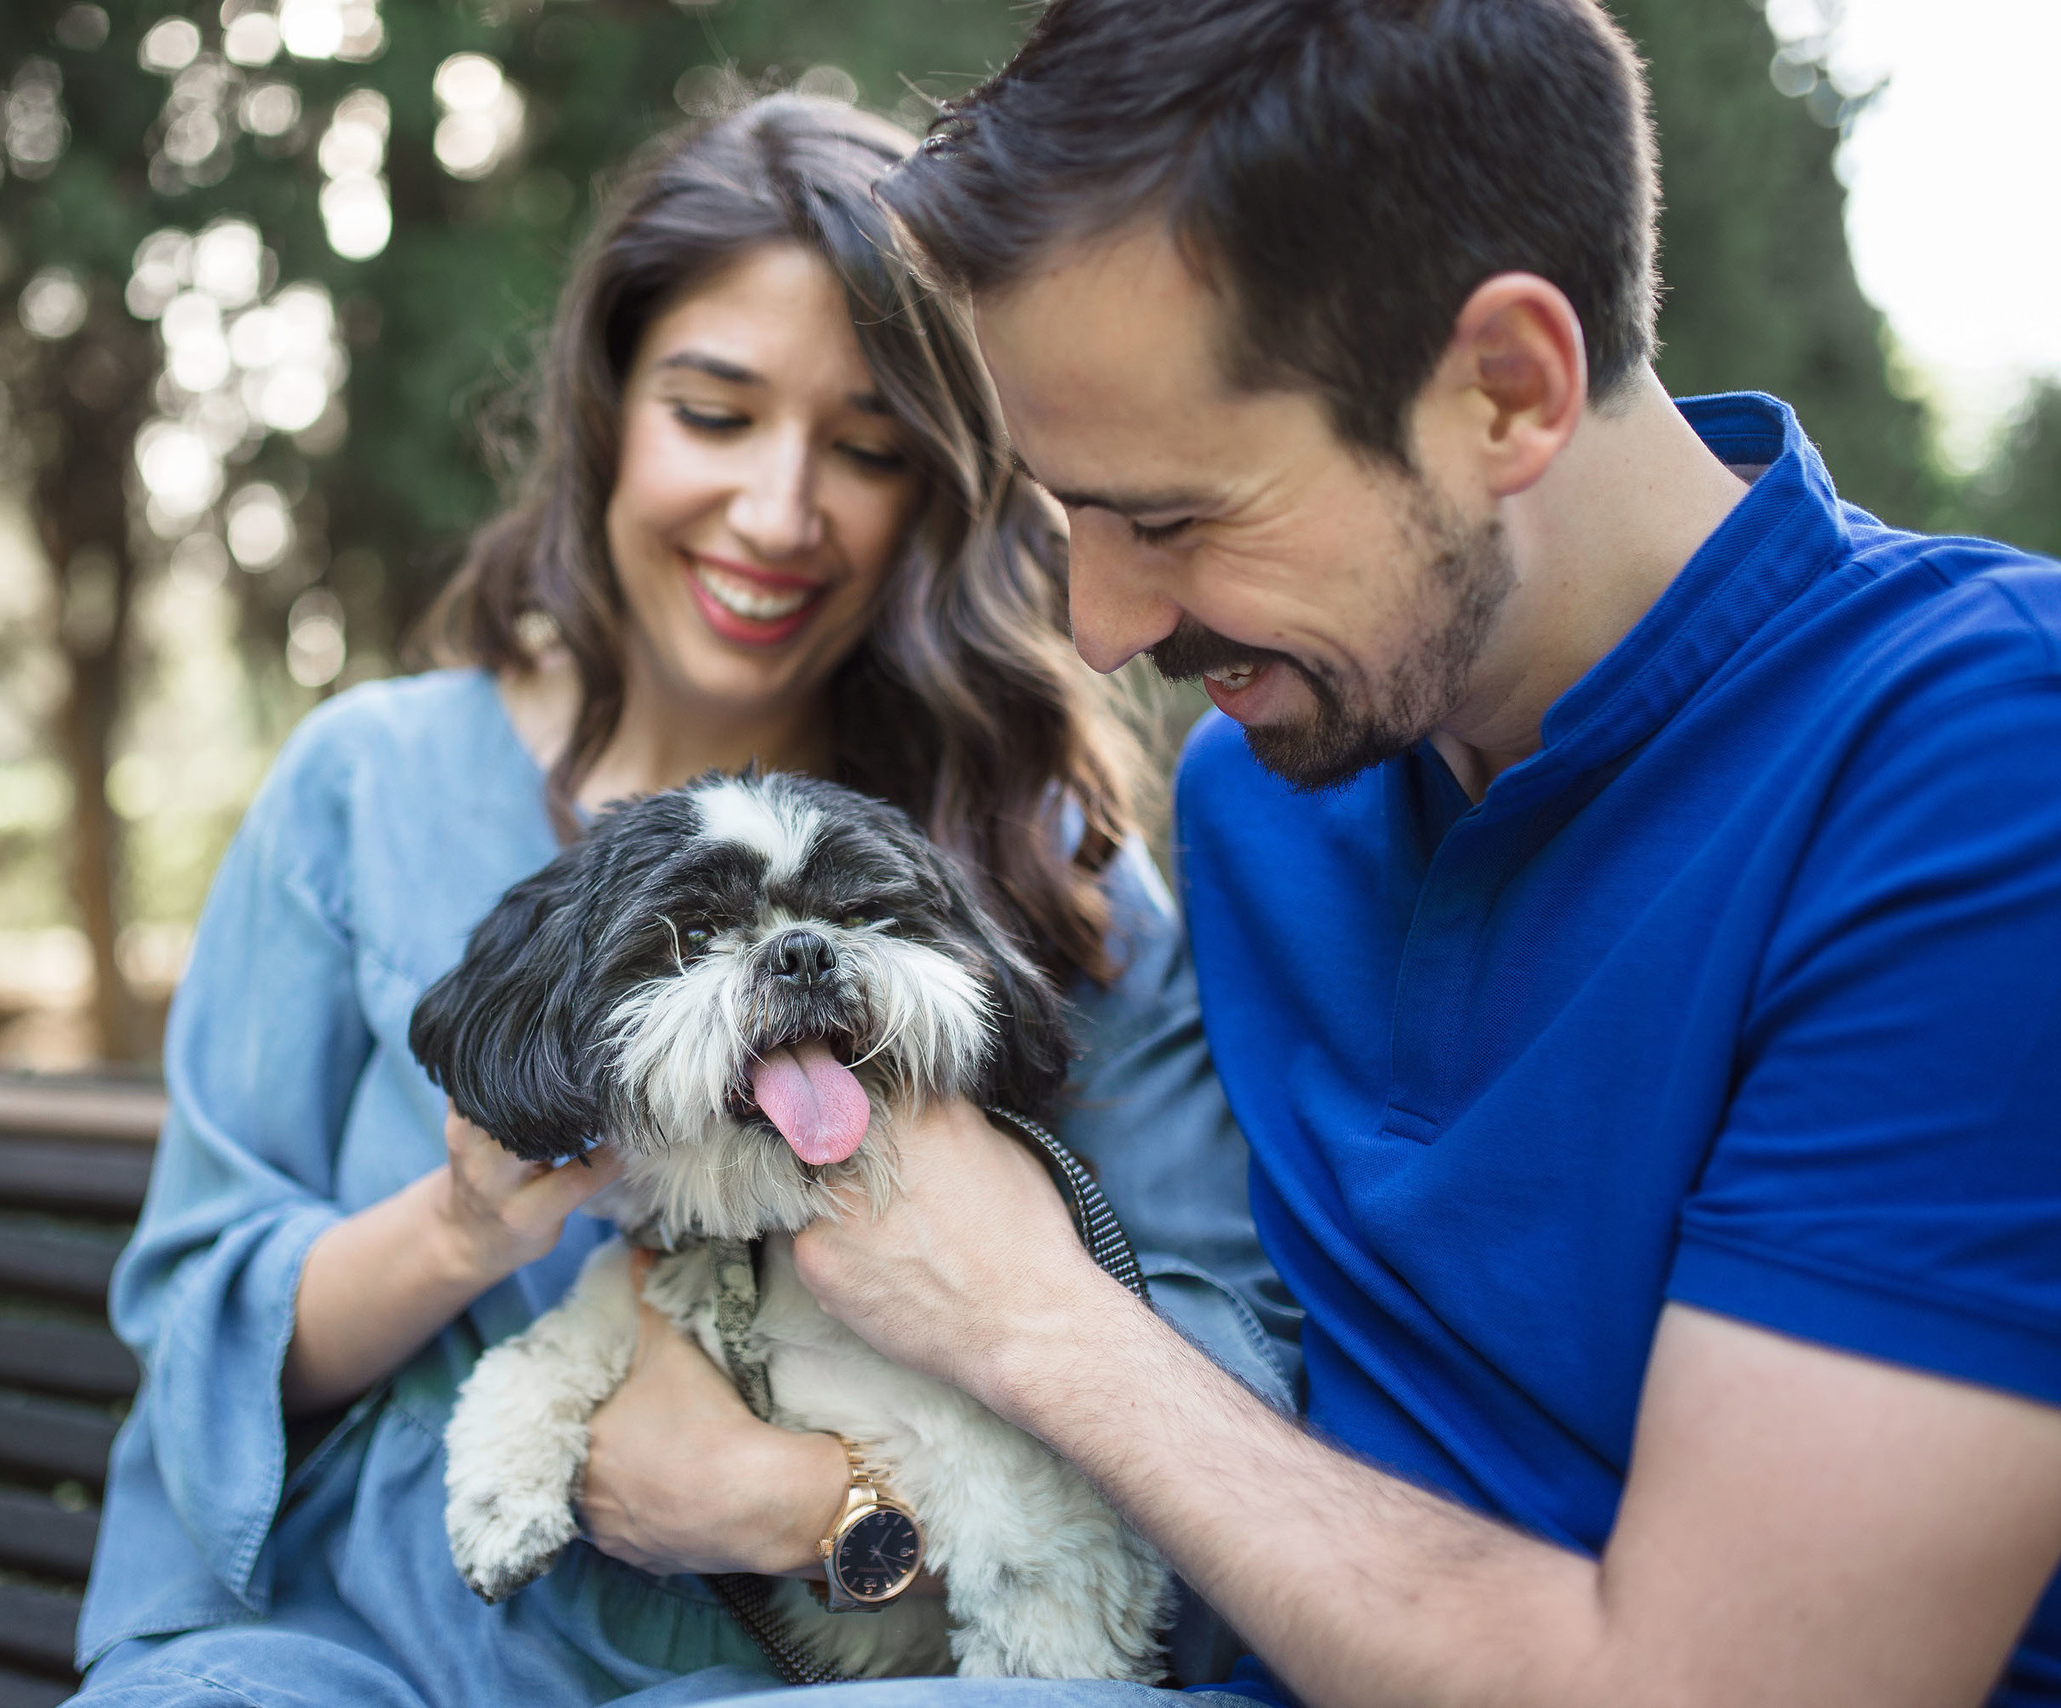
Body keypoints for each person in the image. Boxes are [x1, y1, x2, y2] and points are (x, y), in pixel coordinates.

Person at [765, 0, 2061, 1704]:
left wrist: (1037, 1325)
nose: (1098, 624)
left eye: (1170, 517)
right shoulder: (1257, 800)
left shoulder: (1979, 768)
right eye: (1062, 513)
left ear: (1509, 390)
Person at [68, 94, 1298, 1708]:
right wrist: (458, 1231)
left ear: (941, 486)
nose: (780, 515)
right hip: (372, 1637)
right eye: (714, 414)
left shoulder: (1033, 859)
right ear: (608, 413)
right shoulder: (363, 786)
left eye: (865, 449)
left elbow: (1210, 1349)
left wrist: (809, 1507)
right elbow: (204, 1327)